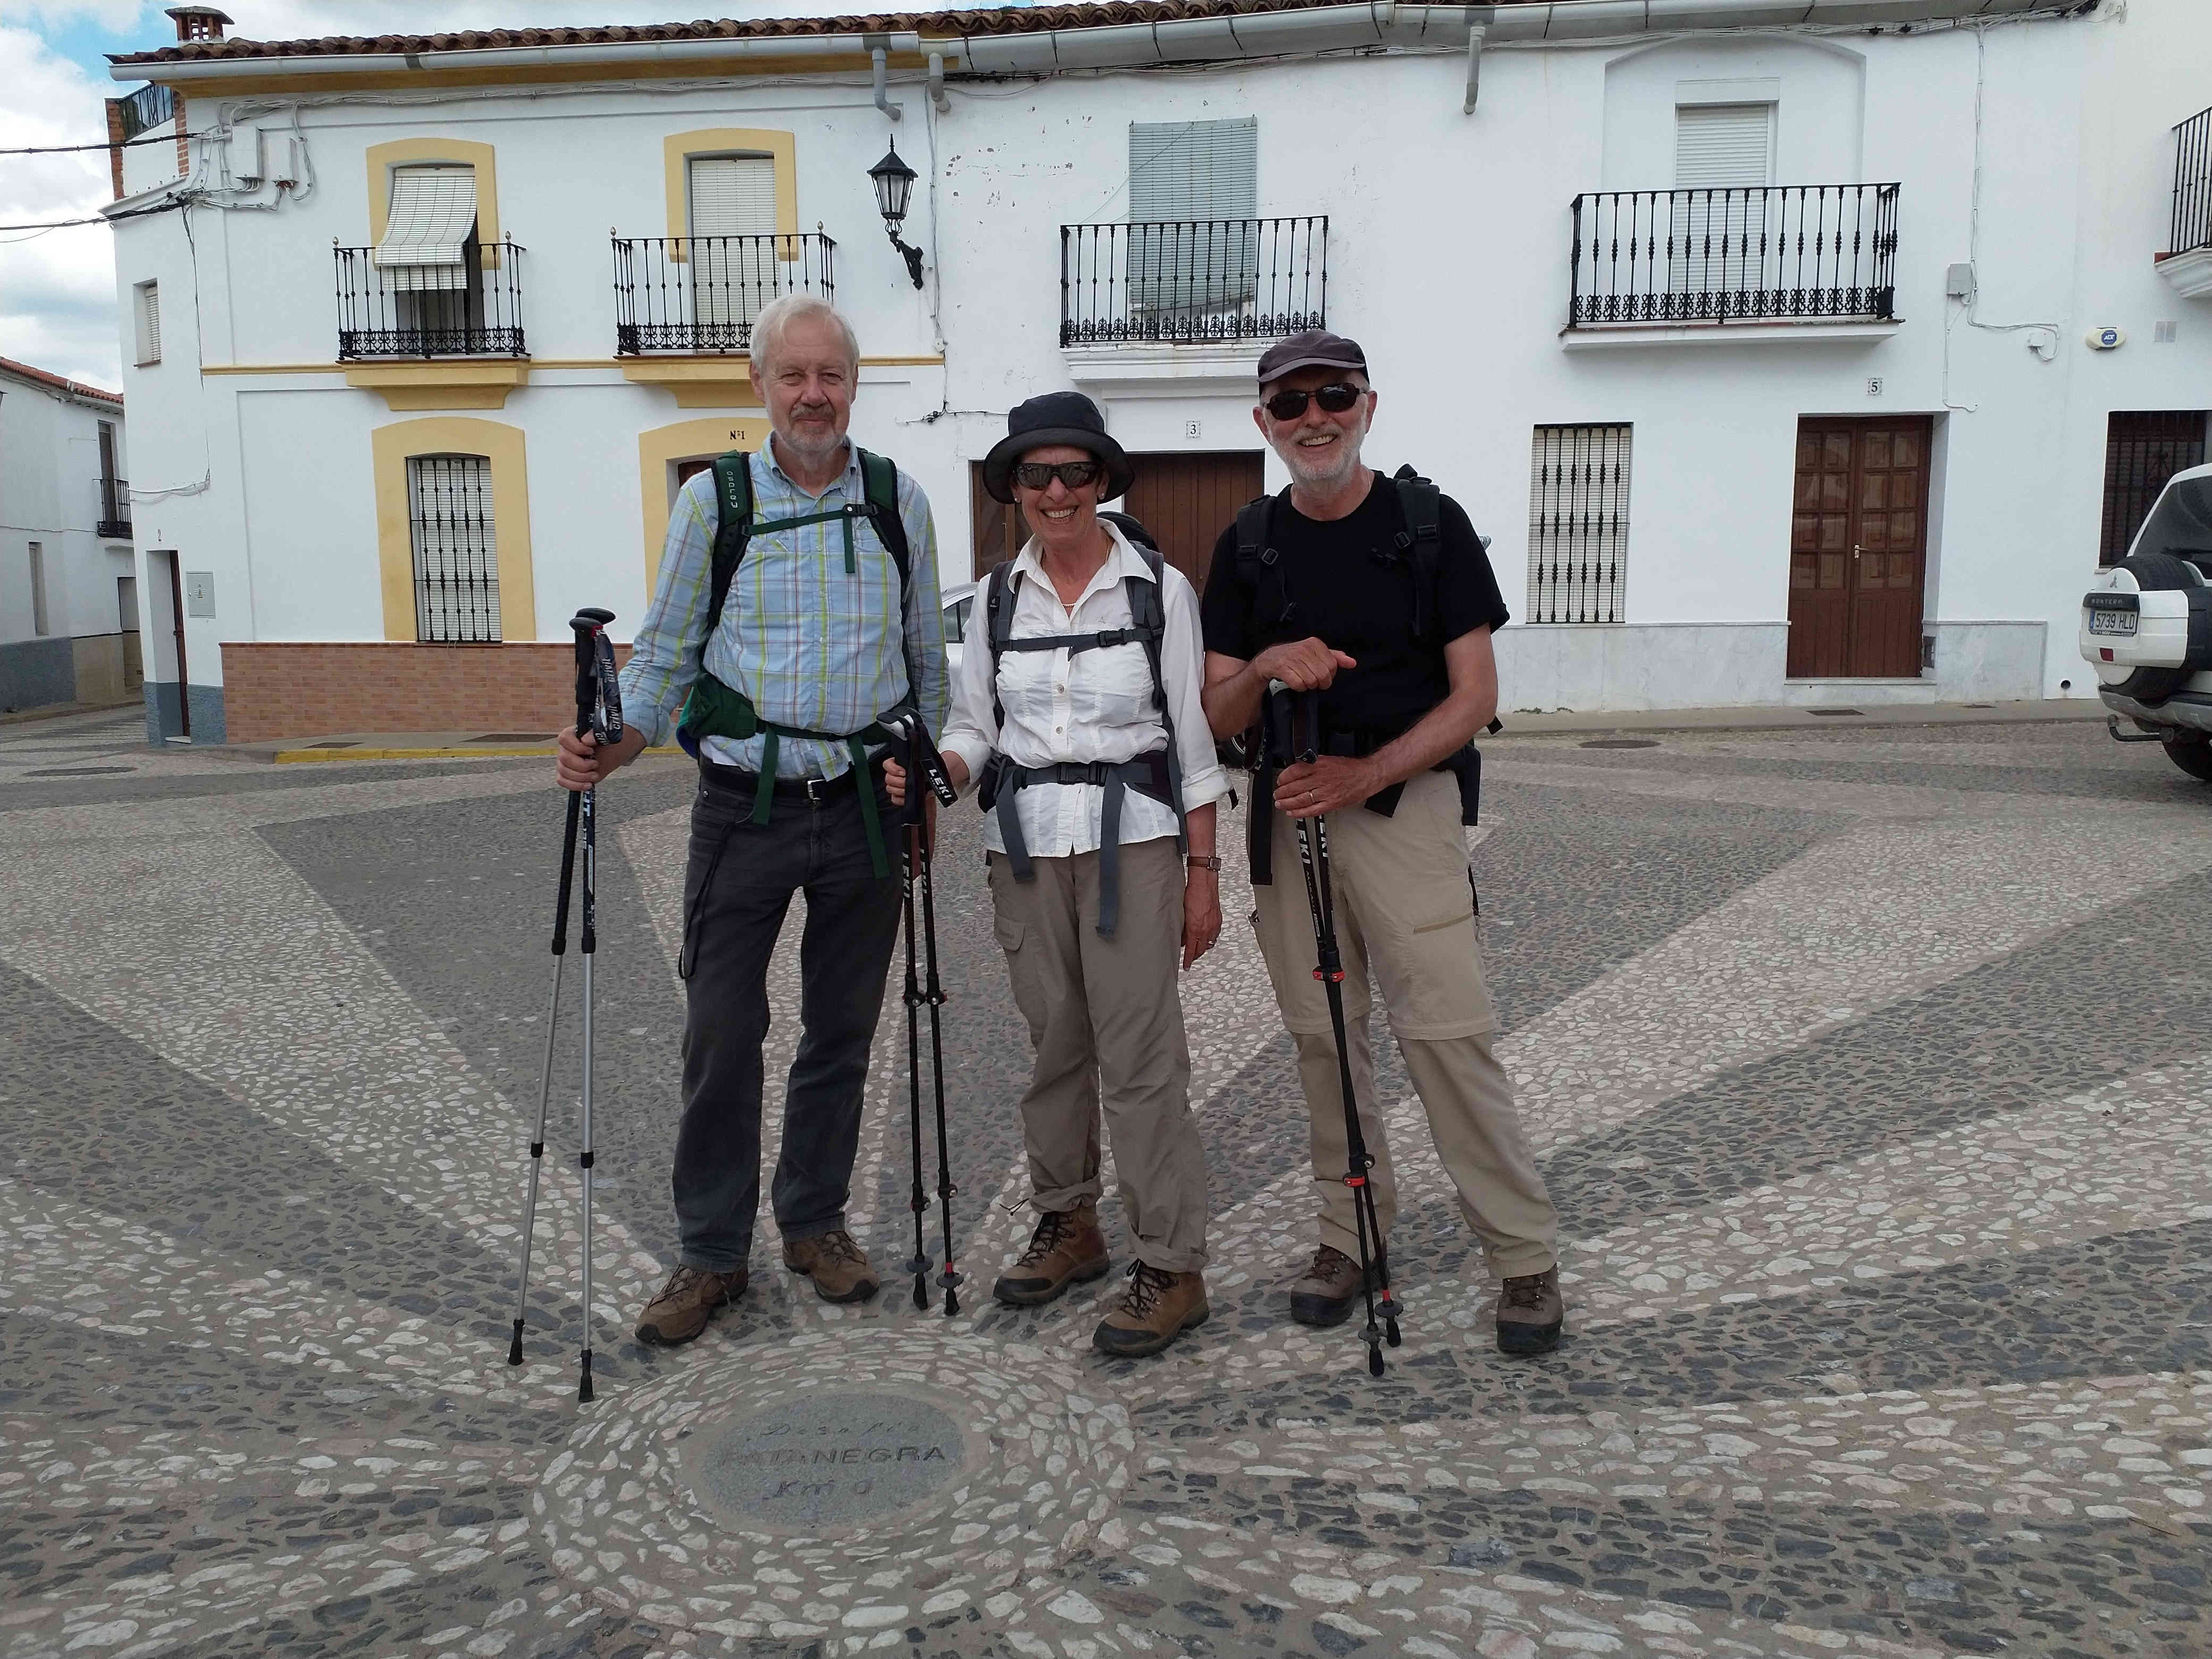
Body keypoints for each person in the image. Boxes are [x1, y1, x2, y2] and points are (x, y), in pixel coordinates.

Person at [554, 294, 949, 1344]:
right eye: (793, 376)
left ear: (853, 385)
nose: (813, 394)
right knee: (723, 1031)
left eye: (831, 375)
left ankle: (813, 1222)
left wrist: (928, 779)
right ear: (759, 385)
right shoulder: (712, 505)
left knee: (842, 1031)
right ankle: (711, 1251)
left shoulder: (898, 502)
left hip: (865, 801)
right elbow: (667, 653)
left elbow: (925, 660)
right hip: (744, 805)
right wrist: (613, 746)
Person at [1197, 331, 1565, 1358]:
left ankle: (1522, 1253)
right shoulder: (1247, 544)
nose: (1314, 417)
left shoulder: (1429, 525)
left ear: (1367, 404)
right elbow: (1218, 709)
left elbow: (1477, 696)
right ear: (1263, 423)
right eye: (1291, 403)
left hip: (1402, 810)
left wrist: (1367, 774)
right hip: (1289, 815)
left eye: (1334, 396)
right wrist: (1266, 661)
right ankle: (1348, 1234)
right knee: (1323, 1038)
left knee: (1445, 1032)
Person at [886, 392, 1229, 1358]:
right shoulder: (996, 599)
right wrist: (941, 771)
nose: (1057, 490)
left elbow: (1193, 742)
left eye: (1076, 472)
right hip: (1026, 848)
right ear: (1014, 491)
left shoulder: (1157, 590)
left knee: (1142, 1057)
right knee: (1054, 1050)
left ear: (1104, 481)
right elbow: (973, 728)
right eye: (1036, 475)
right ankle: (1069, 1223)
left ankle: (1171, 1262)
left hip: (1137, 845)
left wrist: (1203, 872)